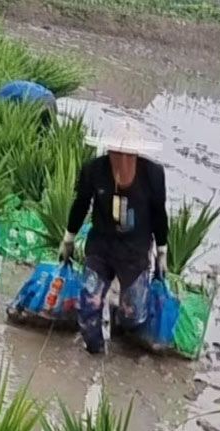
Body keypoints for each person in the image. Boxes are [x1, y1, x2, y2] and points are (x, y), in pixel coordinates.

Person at [59, 120, 168, 354]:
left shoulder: (153, 175)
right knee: (89, 301)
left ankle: (121, 321)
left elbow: (159, 214)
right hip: (101, 244)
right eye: (117, 154)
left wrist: (162, 251)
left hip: (135, 249)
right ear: (108, 151)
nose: (122, 161)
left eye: (128, 155)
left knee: (133, 314)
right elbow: (80, 205)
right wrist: (68, 238)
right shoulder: (94, 170)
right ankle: (94, 349)